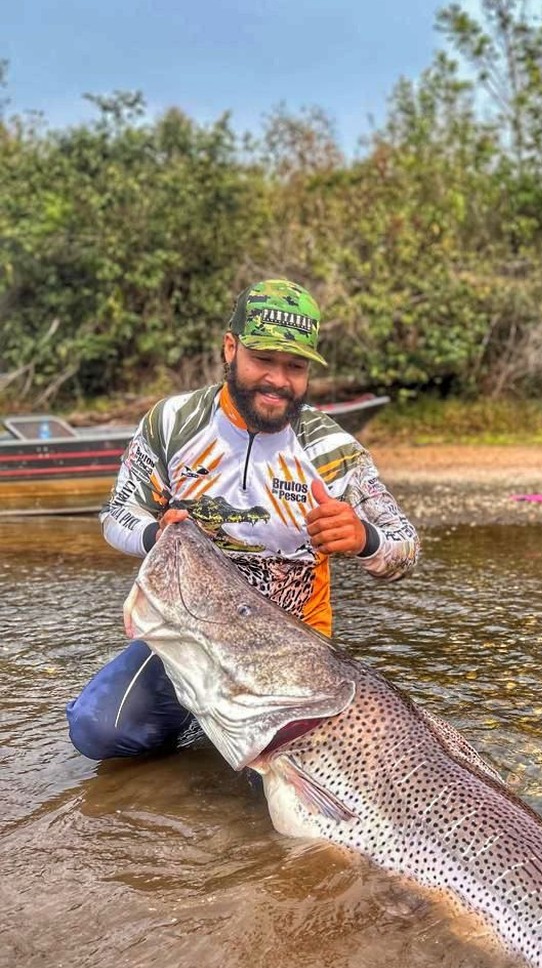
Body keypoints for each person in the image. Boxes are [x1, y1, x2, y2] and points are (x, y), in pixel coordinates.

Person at [67, 278, 420, 760]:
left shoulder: (332, 450)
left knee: (288, 796)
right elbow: (117, 515)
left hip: (294, 651)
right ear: (230, 349)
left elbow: (405, 545)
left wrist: (364, 538)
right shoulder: (172, 423)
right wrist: (158, 534)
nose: (278, 379)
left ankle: (219, 728)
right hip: (187, 633)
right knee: (98, 730)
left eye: (295, 366)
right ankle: (196, 723)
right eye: (264, 360)